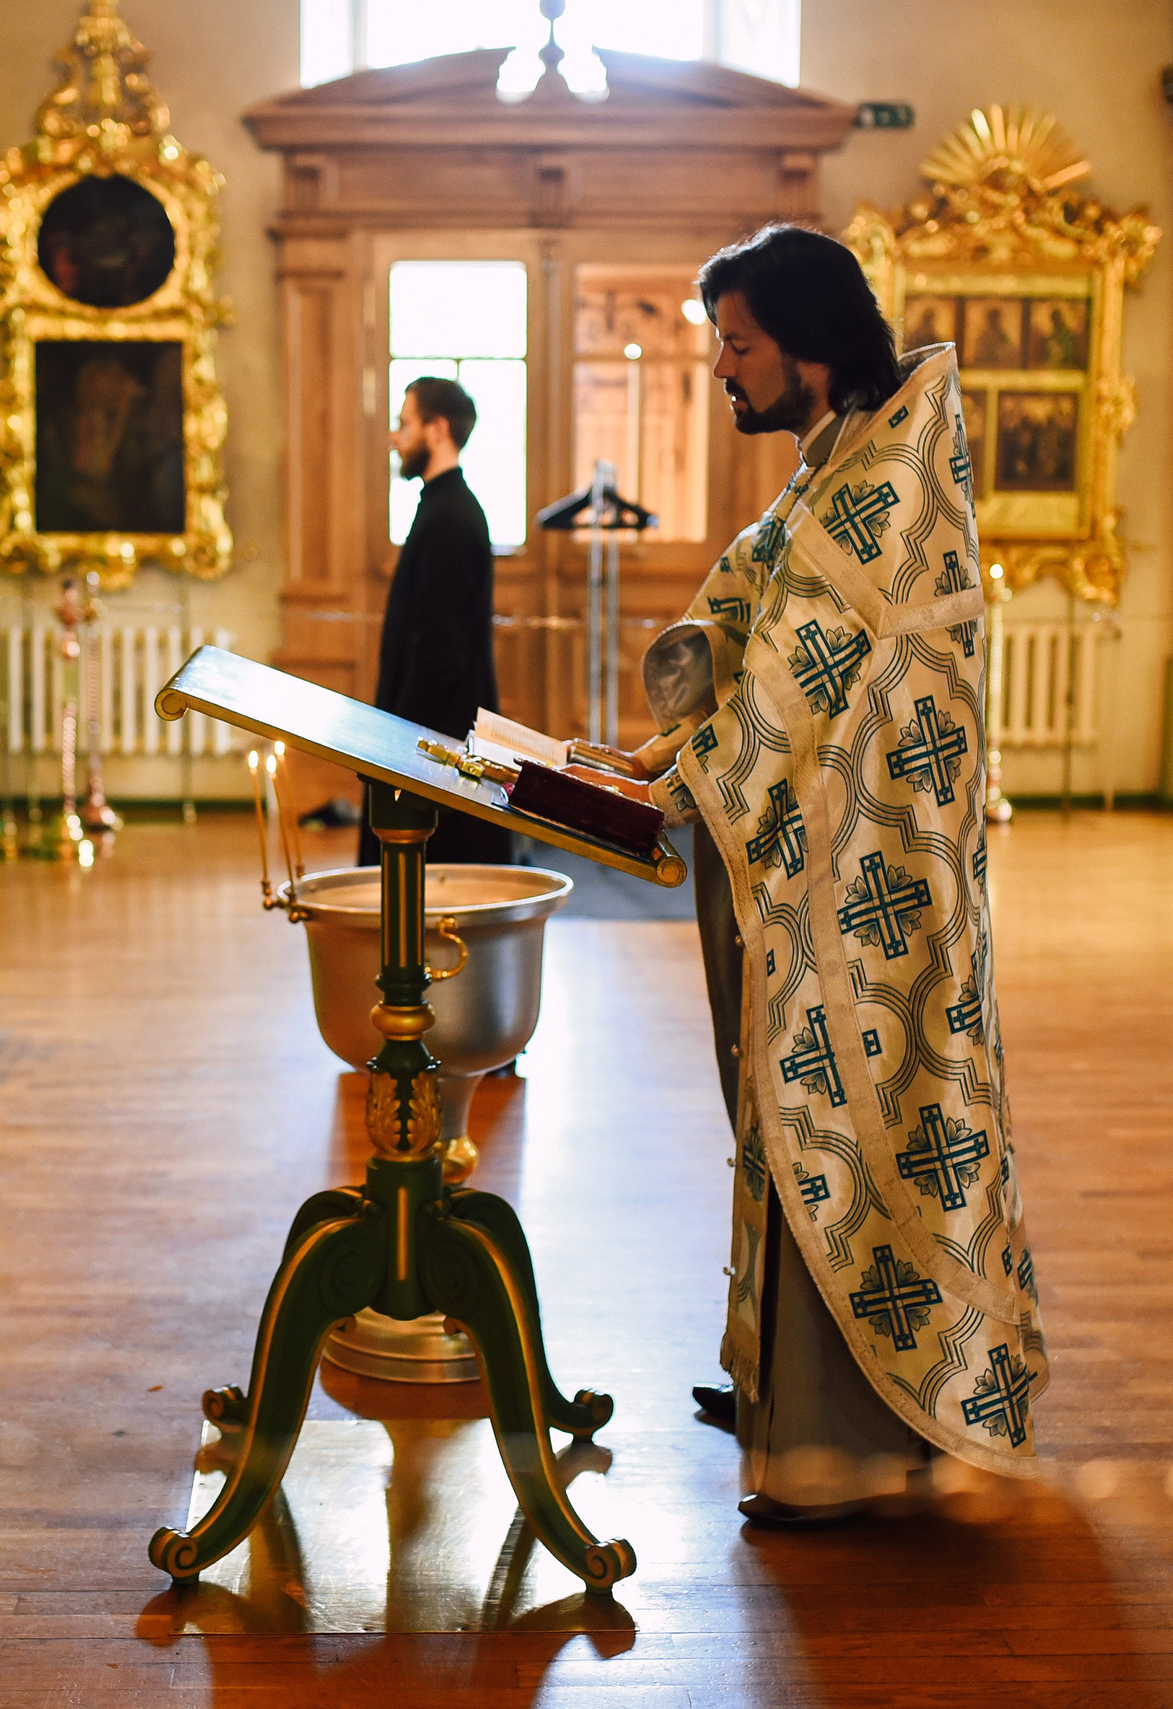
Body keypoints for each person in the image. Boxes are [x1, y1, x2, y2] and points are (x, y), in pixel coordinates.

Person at [584, 223, 1045, 1521]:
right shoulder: (836, 464)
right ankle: (790, 1398)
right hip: (817, 869)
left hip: (870, 888)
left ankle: (846, 1448)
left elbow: (794, 689)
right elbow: (751, 619)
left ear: (810, 343)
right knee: (798, 1123)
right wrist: (668, 736)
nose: (722, 368)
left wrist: (677, 770)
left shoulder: (880, 485)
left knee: (853, 1124)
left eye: (738, 344)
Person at [358, 376, 516, 867]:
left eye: (404, 423)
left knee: (435, 881)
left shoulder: (450, 517)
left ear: (438, 429)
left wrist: (395, 748)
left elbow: (439, 649)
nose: (395, 437)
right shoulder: (442, 507)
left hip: (436, 748)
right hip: (436, 738)